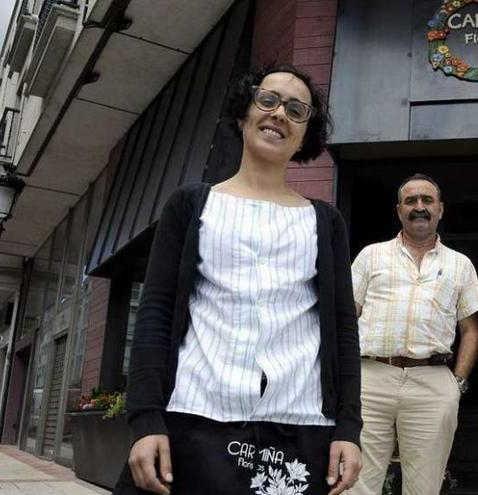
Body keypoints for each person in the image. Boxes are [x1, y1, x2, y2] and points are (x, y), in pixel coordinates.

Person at [114, 64, 362, 495]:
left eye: (297, 110)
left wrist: (348, 427)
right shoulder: (191, 205)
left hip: (299, 426)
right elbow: (155, 312)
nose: (280, 114)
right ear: (243, 112)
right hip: (194, 420)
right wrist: (145, 419)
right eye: (268, 100)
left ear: (307, 134)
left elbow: (342, 329)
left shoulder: (325, 222)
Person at [348, 174, 478, 495]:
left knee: (424, 486)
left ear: (440, 209)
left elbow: (471, 329)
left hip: (433, 381)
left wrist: (458, 382)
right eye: (411, 201)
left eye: (427, 200)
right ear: (399, 210)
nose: (419, 207)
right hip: (370, 378)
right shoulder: (370, 255)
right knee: (356, 482)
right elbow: (346, 317)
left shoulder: (461, 265)